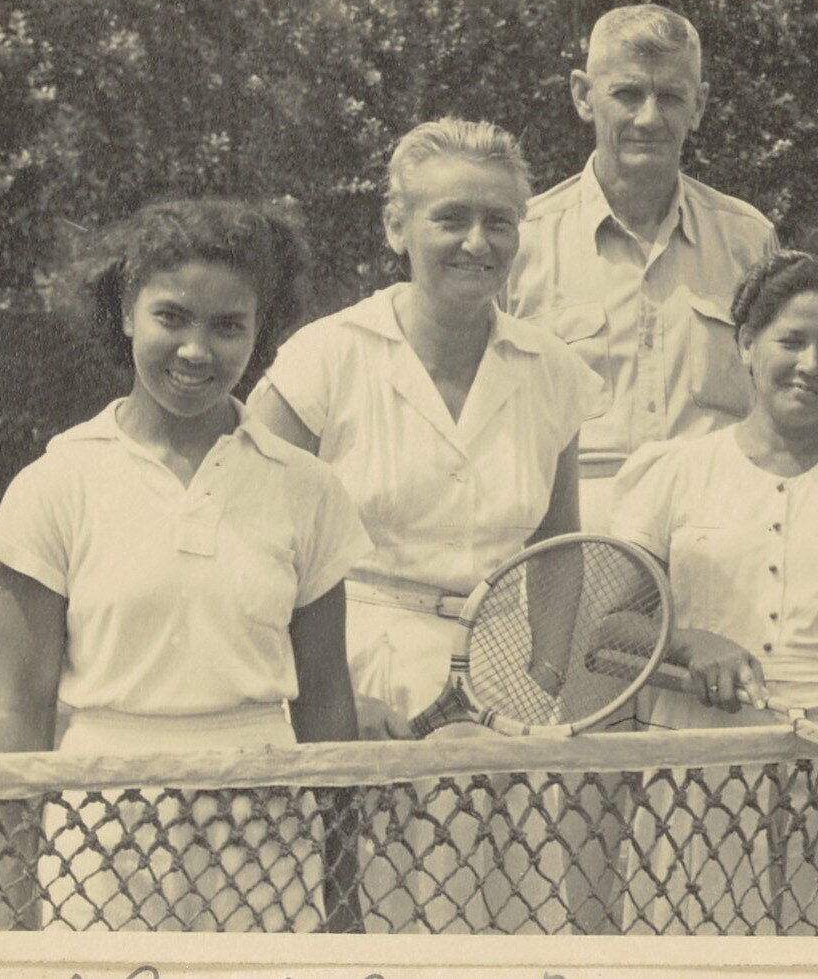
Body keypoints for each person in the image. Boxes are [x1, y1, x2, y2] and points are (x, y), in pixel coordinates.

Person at [248, 117, 603, 932]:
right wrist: (326, 693)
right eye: (451, 218)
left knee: (499, 925)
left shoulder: (553, 369)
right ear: (396, 226)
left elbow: (558, 546)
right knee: (354, 919)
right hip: (347, 669)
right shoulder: (325, 355)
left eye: (499, 220)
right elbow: (252, 537)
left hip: (501, 686)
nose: (478, 242)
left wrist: (541, 675)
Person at [0, 199, 371, 931]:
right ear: (126, 312)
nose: (196, 350)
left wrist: (342, 888)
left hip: (269, 824)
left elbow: (326, 702)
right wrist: (16, 897)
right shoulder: (52, 484)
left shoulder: (308, 487)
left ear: (260, 331)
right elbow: (21, 708)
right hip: (98, 825)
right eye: (172, 317)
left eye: (228, 326)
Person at [611, 250, 818, 934]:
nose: (810, 365)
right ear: (746, 344)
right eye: (791, 341)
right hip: (698, 766)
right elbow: (611, 627)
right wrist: (692, 642)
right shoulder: (671, 470)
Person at [504, 2, 780, 534]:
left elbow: (777, 409)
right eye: (628, 94)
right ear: (583, 96)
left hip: (721, 531)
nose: (649, 118)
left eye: (670, 97)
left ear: (698, 106)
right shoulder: (520, 243)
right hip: (571, 539)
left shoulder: (748, 241)